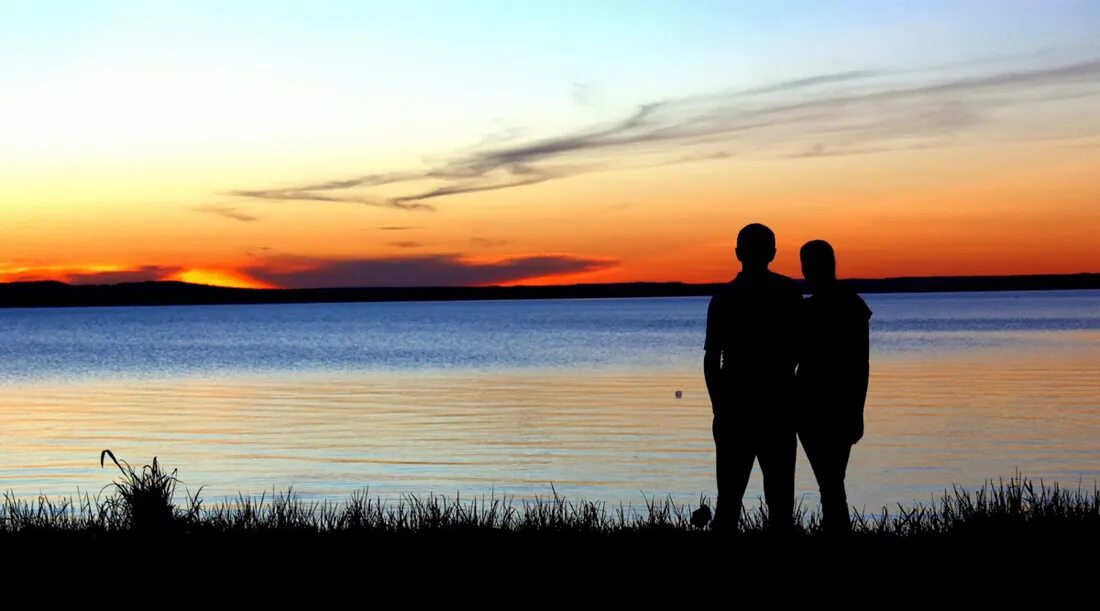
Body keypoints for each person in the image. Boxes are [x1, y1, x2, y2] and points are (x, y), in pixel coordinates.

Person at [704, 223, 801, 533]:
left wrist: (719, 404)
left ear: (738, 254)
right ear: (773, 254)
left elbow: (711, 359)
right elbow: (803, 352)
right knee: (779, 502)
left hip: (740, 407)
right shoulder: (788, 294)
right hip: (775, 408)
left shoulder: (724, 298)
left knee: (729, 501)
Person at [795, 240, 871, 535]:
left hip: (827, 403)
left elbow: (860, 363)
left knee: (831, 481)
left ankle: (837, 532)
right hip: (815, 403)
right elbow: (861, 364)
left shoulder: (846, 306)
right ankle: (838, 532)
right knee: (831, 480)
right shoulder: (849, 304)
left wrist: (857, 411)